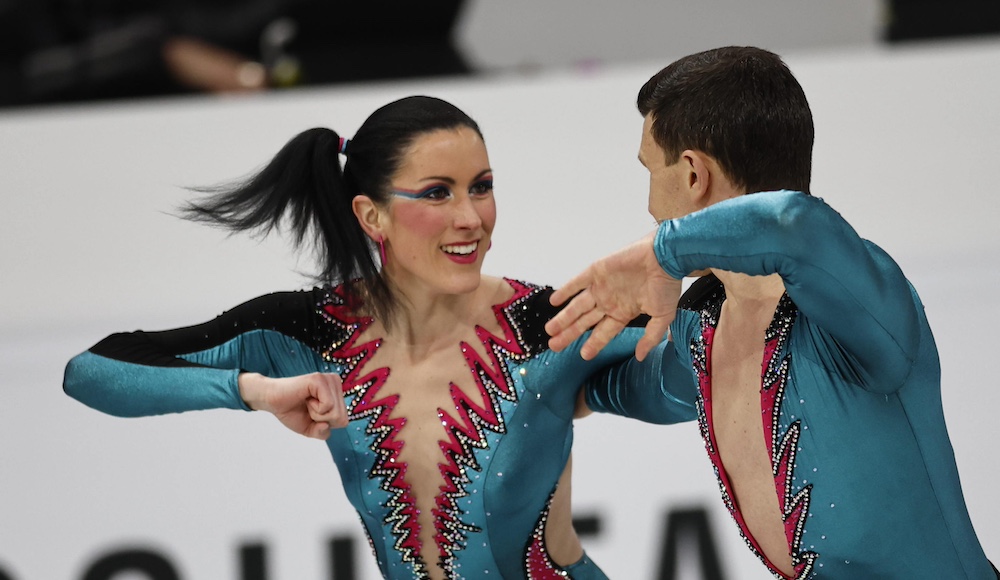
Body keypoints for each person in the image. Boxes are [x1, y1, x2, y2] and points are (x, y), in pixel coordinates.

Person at [63, 95, 639, 579]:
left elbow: (688, 373)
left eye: (481, 187)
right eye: (438, 192)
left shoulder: (552, 322)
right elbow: (93, 372)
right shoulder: (310, 332)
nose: (472, 218)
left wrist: (669, 260)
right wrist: (255, 392)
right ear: (372, 216)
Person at [545, 47, 997, 578]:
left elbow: (792, 225)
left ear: (693, 174)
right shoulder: (702, 328)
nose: (649, 206)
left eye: (650, 170)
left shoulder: (861, 302)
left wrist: (661, 250)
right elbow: (633, 385)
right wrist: (549, 382)